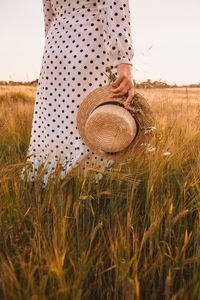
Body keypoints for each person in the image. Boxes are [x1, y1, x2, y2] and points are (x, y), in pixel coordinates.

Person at [22, 0, 134, 185]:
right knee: (90, 122)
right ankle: (86, 187)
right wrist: (123, 59)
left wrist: (56, 43)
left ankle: (48, 184)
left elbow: (49, 17)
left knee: (54, 122)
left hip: (54, 49)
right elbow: (114, 8)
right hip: (90, 45)